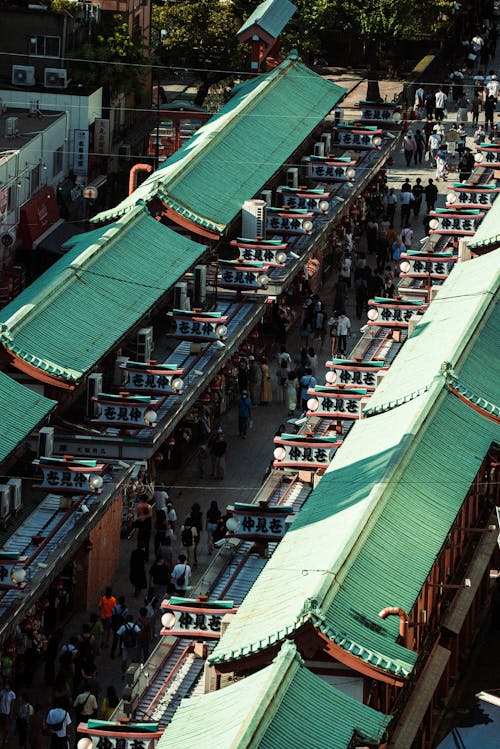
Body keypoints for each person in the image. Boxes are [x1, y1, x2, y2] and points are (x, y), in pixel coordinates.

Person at [134, 495, 153, 561]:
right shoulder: (149, 507)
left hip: (141, 527)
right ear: (147, 500)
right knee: (146, 543)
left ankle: (139, 557)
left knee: (140, 542)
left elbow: (136, 516)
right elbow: (150, 515)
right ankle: (146, 558)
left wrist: (141, 517)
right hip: (147, 527)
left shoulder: (139, 506)